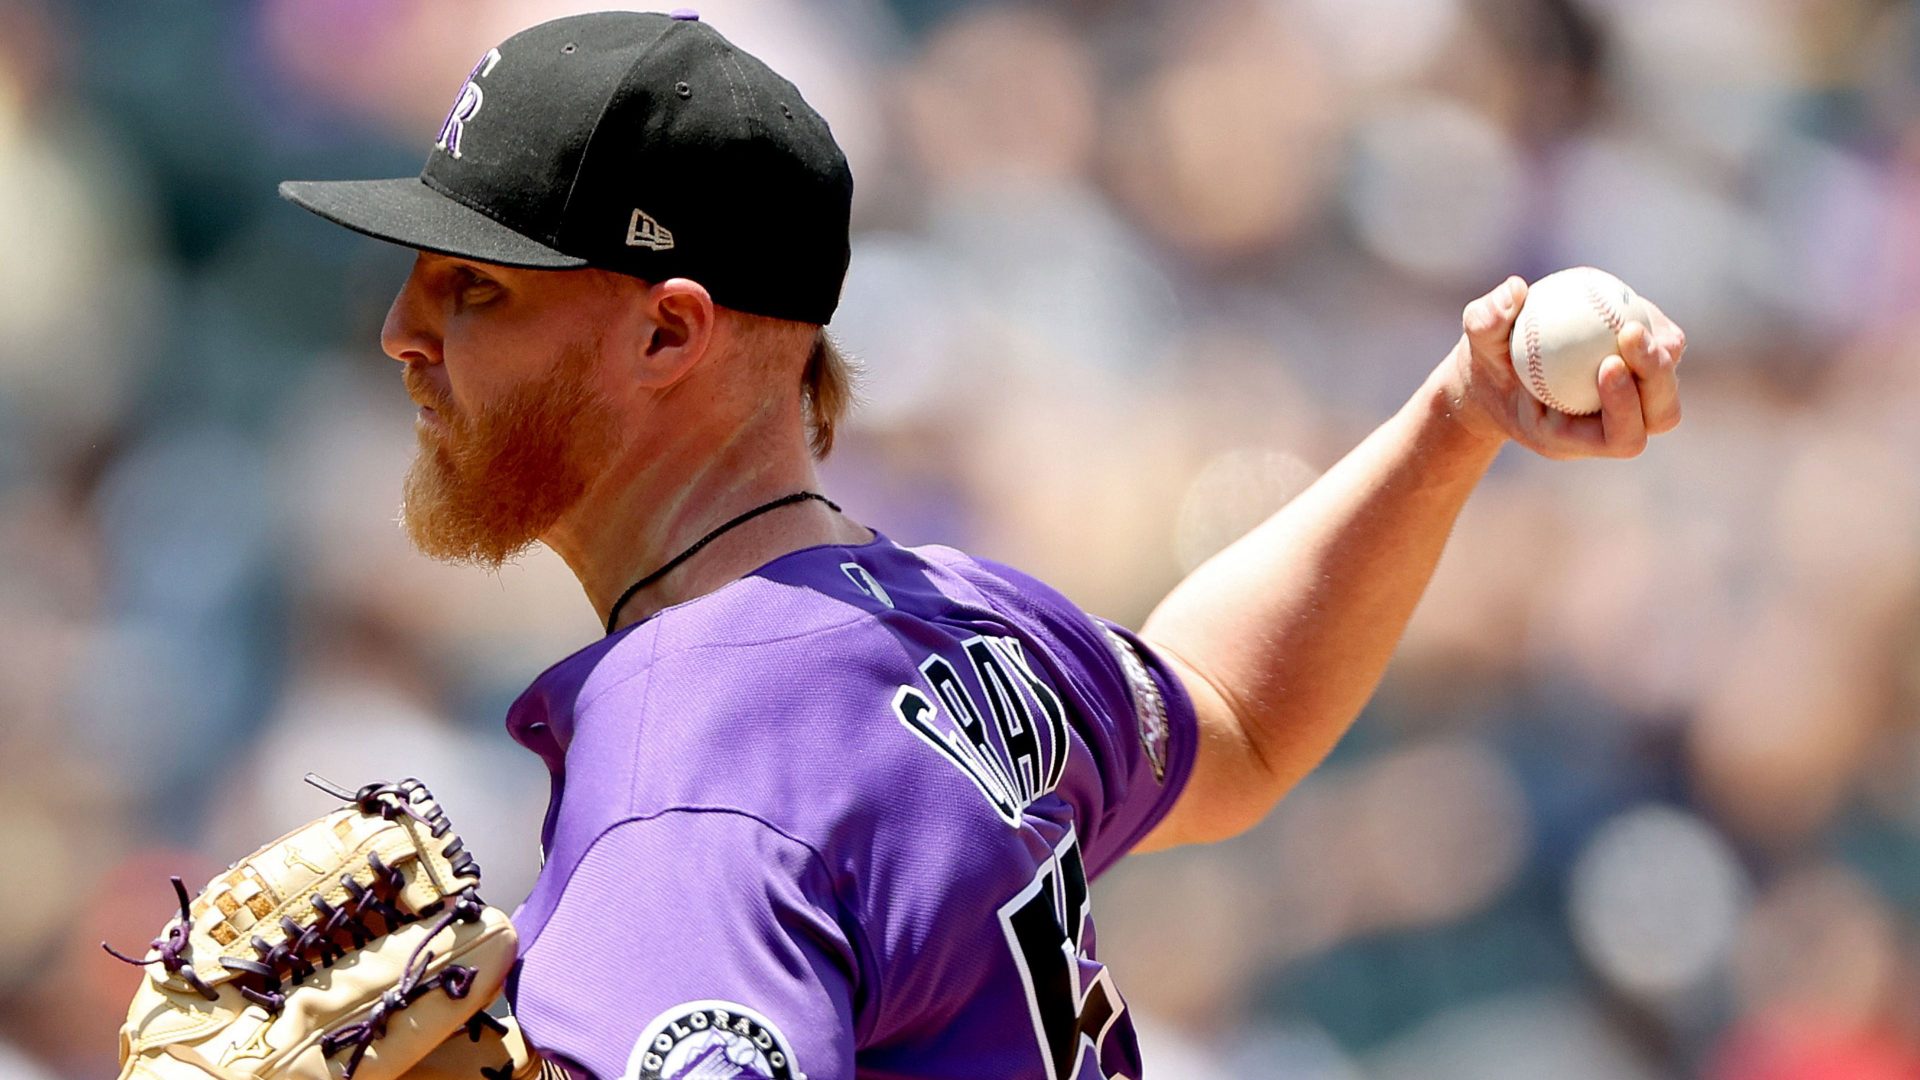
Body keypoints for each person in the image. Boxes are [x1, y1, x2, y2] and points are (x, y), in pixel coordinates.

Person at [280, 10, 1685, 1080]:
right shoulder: (956, 621)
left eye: (474, 289)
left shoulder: (686, 799)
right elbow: (1233, 714)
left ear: (667, 332)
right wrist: (1453, 422)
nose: (402, 333)